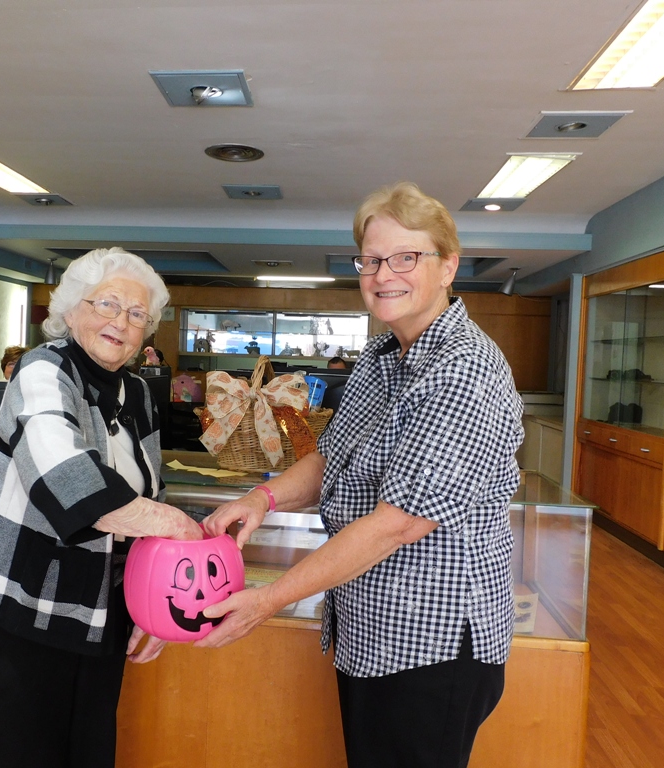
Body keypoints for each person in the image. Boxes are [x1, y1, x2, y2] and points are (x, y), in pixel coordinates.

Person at [198, 181, 524, 768]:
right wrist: (262, 499)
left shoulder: (464, 370)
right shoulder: (380, 357)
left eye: (406, 257)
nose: (383, 274)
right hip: (371, 630)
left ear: (448, 267)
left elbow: (398, 524)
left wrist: (268, 600)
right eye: (371, 260)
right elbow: (330, 458)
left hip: (431, 645)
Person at [0, 247, 202, 768]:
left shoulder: (138, 393)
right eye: (107, 304)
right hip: (20, 600)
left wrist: (149, 604)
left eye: (137, 314)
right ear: (70, 311)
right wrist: (176, 526)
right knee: (14, 752)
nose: (121, 322)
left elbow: (149, 496)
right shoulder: (42, 370)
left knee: (88, 750)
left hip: (100, 609)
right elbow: (64, 478)